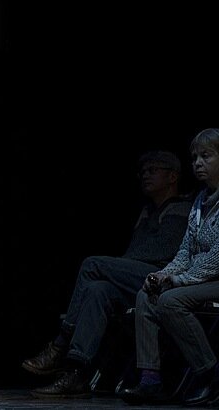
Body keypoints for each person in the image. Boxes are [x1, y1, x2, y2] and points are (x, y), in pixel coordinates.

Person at [24, 150, 193, 398]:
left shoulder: (182, 208)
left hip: (163, 275)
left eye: (153, 170)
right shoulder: (147, 211)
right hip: (138, 278)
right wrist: (117, 270)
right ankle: (77, 373)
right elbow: (134, 253)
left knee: (92, 265)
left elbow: (159, 252)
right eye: (143, 172)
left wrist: (115, 268)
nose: (145, 175)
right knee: (97, 290)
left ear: (172, 177)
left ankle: (60, 344)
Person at [118, 128, 219, 406]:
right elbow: (186, 250)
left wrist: (180, 280)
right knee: (147, 295)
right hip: (200, 280)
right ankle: (150, 380)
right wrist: (164, 274)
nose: (198, 163)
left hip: (214, 279)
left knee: (170, 301)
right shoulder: (200, 201)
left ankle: (210, 373)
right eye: (195, 157)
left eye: (206, 156)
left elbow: (216, 258)